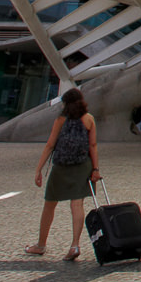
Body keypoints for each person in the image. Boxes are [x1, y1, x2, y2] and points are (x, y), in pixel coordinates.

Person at [26, 88, 99, 260]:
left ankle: (41, 245)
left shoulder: (61, 119)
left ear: (66, 103)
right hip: (82, 166)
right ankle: (74, 245)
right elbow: (93, 146)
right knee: (77, 204)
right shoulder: (89, 119)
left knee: (50, 204)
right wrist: (96, 169)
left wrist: (38, 169)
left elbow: (50, 145)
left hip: (61, 166)